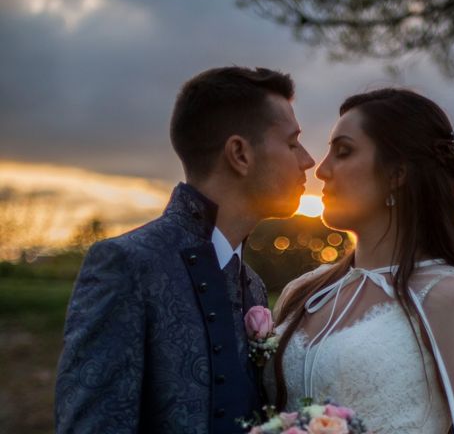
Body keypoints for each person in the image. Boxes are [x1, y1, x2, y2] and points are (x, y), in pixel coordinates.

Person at [55, 66, 315, 433]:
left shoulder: (253, 285)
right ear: (240, 153)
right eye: (292, 143)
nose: (308, 160)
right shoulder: (127, 264)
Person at [265, 88, 454, 434]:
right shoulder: (302, 293)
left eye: (343, 152)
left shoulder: (449, 296)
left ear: (397, 174)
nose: (322, 170)